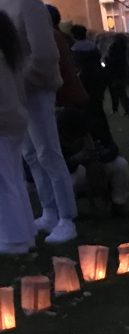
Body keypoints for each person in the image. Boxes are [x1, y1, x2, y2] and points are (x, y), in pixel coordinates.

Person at [3, 0, 79, 244]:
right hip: (16, 88)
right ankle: (50, 210)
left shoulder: (28, 4)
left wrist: (23, 79)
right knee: (32, 155)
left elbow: (45, 53)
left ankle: (66, 217)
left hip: (35, 88)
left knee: (48, 152)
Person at [58, 105, 129, 219]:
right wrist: (76, 159)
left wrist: (97, 155)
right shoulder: (57, 137)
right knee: (64, 181)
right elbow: (55, 167)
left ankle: (118, 205)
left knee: (120, 164)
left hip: (96, 165)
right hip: (74, 172)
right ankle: (68, 213)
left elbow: (113, 148)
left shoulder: (92, 127)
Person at [0, 8, 36, 254]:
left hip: (4, 123)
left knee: (6, 182)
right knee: (14, 178)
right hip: (15, 121)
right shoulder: (9, 57)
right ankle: (25, 232)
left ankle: (15, 238)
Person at [104, 33, 129, 115]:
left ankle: (117, 109)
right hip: (122, 72)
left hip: (113, 72)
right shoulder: (125, 47)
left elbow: (111, 60)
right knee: (122, 92)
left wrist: (106, 60)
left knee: (115, 92)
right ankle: (127, 109)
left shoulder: (114, 47)